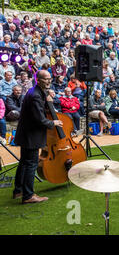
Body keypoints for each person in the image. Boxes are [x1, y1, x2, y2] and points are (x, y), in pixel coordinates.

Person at [13, 70, 63, 204]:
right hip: (31, 135)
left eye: (50, 79)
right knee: (31, 164)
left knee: (24, 163)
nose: (49, 81)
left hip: (26, 134)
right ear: (38, 80)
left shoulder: (36, 92)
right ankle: (28, 196)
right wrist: (53, 122)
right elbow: (40, 119)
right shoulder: (35, 95)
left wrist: (47, 100)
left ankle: (18, 191)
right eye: (46, 79)